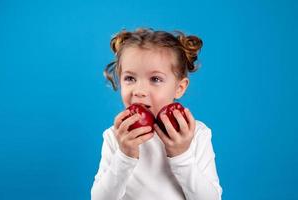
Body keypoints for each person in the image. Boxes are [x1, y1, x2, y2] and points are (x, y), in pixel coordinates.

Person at [91, 28, 223, 200]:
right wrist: (124, 155)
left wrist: (181, 155)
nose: (139, 91)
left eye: (155, 79)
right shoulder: (116, 136)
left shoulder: (196, 134)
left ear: (179, 88)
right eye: (130, 78)